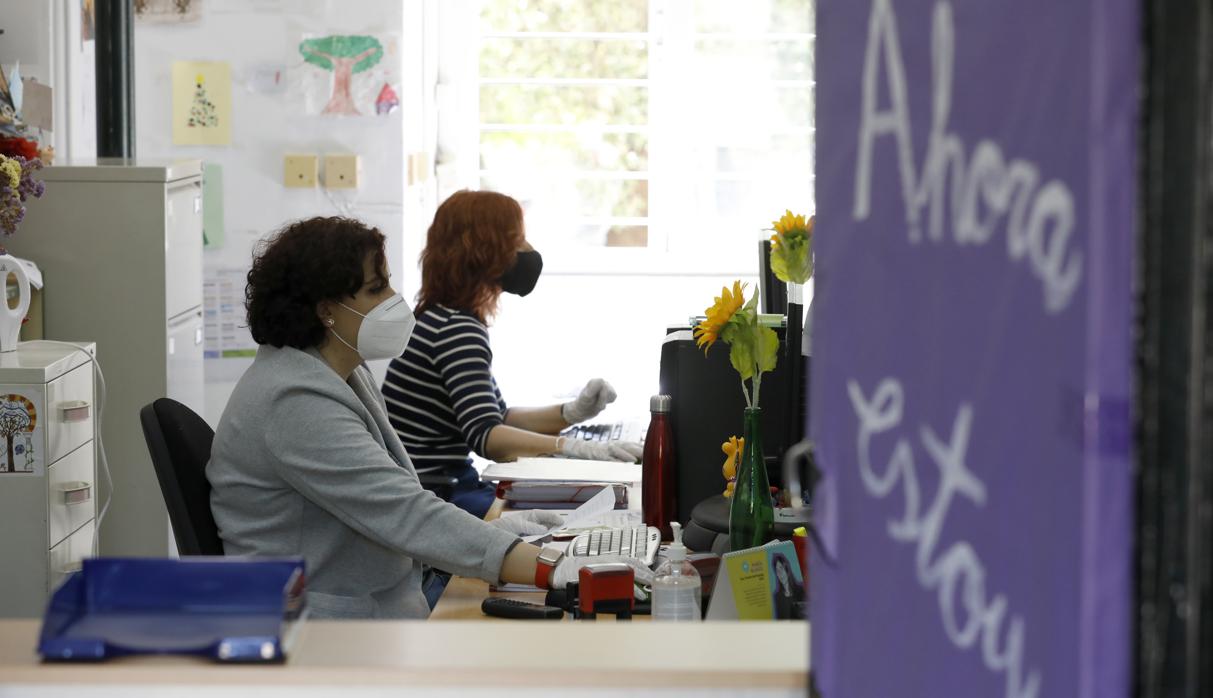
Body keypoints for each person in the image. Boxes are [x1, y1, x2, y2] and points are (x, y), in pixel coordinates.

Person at [206, 216, 652, 618]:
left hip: (378, 596)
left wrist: (504, 536)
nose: (394, 300)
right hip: (324, 629)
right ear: (327, 310)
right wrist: (552, 567)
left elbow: (393, 503)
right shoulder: (293, 401)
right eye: (376, 288)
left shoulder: (336, 373)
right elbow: (405, 513)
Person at [381, 190, 643, 519]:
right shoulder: (457, 330)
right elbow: (487, 437)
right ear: (485, 250)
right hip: (440, 496)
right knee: (591, 515)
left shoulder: (440, 316)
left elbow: (497, 418)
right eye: (517, 238)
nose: (527, 250)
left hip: (434, 488)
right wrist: (575, 448)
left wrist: (571, 413)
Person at [770, 552, 805, 620]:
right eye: (777, 570)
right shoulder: (777, 596)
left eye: (781, 568)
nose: (780, 573)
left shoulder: (801, 589)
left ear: (786, 568)